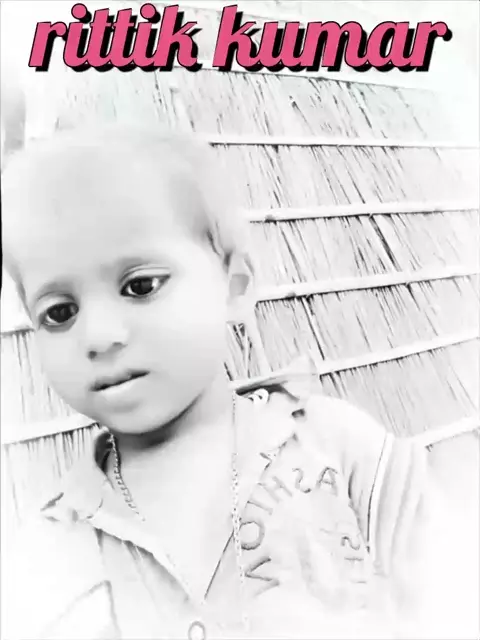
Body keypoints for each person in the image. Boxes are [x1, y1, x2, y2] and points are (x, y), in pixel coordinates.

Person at [1, 125, 476, 640]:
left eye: (140, 286)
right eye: (60, 313)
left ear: (234, 287)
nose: (98, 336)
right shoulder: (50, 550)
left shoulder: (335, 447)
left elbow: (453, 603)